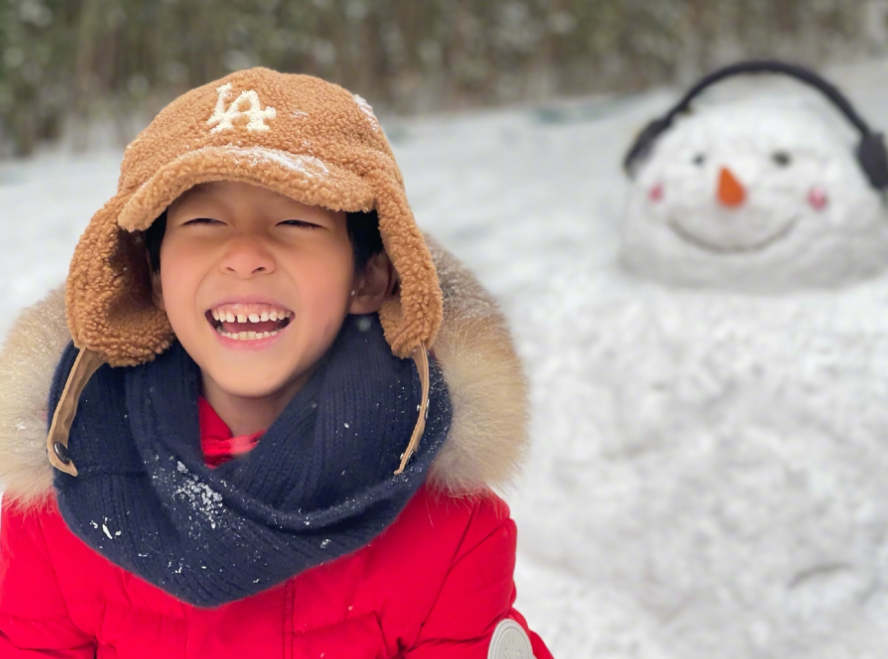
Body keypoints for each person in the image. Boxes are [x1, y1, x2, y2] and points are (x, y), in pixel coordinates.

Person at [0, 67, 552, 659]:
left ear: (368, 276)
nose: (244, 255)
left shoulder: (451, 529)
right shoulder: (58, 509)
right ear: (152, 277)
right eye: (203, 222)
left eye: (297, 221)